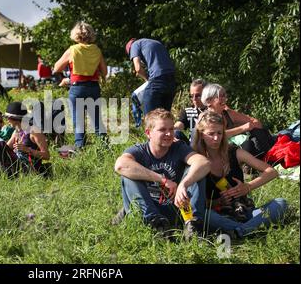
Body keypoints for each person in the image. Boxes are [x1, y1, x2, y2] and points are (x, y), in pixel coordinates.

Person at [114, 108, 211, 240]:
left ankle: (192, 225)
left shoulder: (178, 148)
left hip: (176, 208)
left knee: (195, 171)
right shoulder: (139, 151)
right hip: (148, 208)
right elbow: (120, 165)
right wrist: (162, 180)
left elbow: (204, 163)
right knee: (128, 176)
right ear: (148, 133)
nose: (169, 134)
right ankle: (157, 225)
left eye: (171, 129)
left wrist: (183, 184)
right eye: (162, 130)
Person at [192, 111, 287, 238]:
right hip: (218, 214)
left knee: (281, 203)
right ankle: (248, 229)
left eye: (219, 133)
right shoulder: (195, 159)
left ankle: (238, 231)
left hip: (244, 211)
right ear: (201, 135)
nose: (216, 138)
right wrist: (218, 201)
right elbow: (196, 201)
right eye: (210, 134)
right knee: (204, 215)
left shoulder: (234, 152)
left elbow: (271, 172)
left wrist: (247, 187)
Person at [53, 21, 107, 148]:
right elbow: (104, 72)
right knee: (97, 121)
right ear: (91, 34)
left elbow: (57, 68)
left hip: (77, 88)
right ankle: (105, 148)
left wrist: (68, 77)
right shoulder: (96, 50)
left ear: (75, 35)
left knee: (79, 122)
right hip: (94, 87)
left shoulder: (73, 50)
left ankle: (79, 149)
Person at [0, 102, 50, 177]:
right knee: (0, 145)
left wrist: (28, 150)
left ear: (15, 118)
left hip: (29, 169)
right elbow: (1, 150)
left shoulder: (34, 132)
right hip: (15, 166)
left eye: (8, 118)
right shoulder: (16, 132)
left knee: (1, 144)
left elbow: (46, 155)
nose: (7, 120)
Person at [201, 83, 274, 158]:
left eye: (225, 95)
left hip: (236, 147)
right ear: (209, 101)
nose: (225, 99)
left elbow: (257, 123)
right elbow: (218, 135)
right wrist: (242, 128)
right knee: (247, 145)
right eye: (221, 96)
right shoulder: (205, 117)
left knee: (259, 132)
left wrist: (241, 127)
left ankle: (270, 159)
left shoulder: (228, 113)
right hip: (219, 152)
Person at [125, 38, 176, 115]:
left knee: (150, 118)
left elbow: (138, 69)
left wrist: (147, 80)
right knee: (165, 118)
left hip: (157, 81)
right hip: (172, 83)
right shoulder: (156, 43)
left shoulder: (134, 45)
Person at [174, 79, 207, 143]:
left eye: (198, 95)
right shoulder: (187, 111)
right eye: (191, 96)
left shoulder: (213, 110)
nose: (194, 99)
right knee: (175, 133)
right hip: (192, 145)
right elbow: (179, 125)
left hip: (209, 143)